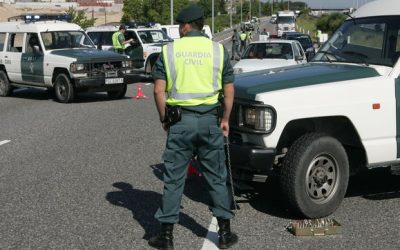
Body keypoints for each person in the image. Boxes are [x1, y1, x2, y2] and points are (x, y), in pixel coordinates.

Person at [150, 4, 238, 250]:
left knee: (174, 179)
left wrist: (164, 119)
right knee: (216, 178)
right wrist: (225, 120)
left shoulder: (169, 51)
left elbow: (159, 90)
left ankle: (166, 237)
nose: (179, 29)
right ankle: (224, 234)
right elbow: (229, 91)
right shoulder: (218, 51)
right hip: (210, 122)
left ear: (187, 26)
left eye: (180, 25)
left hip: (180, 123)